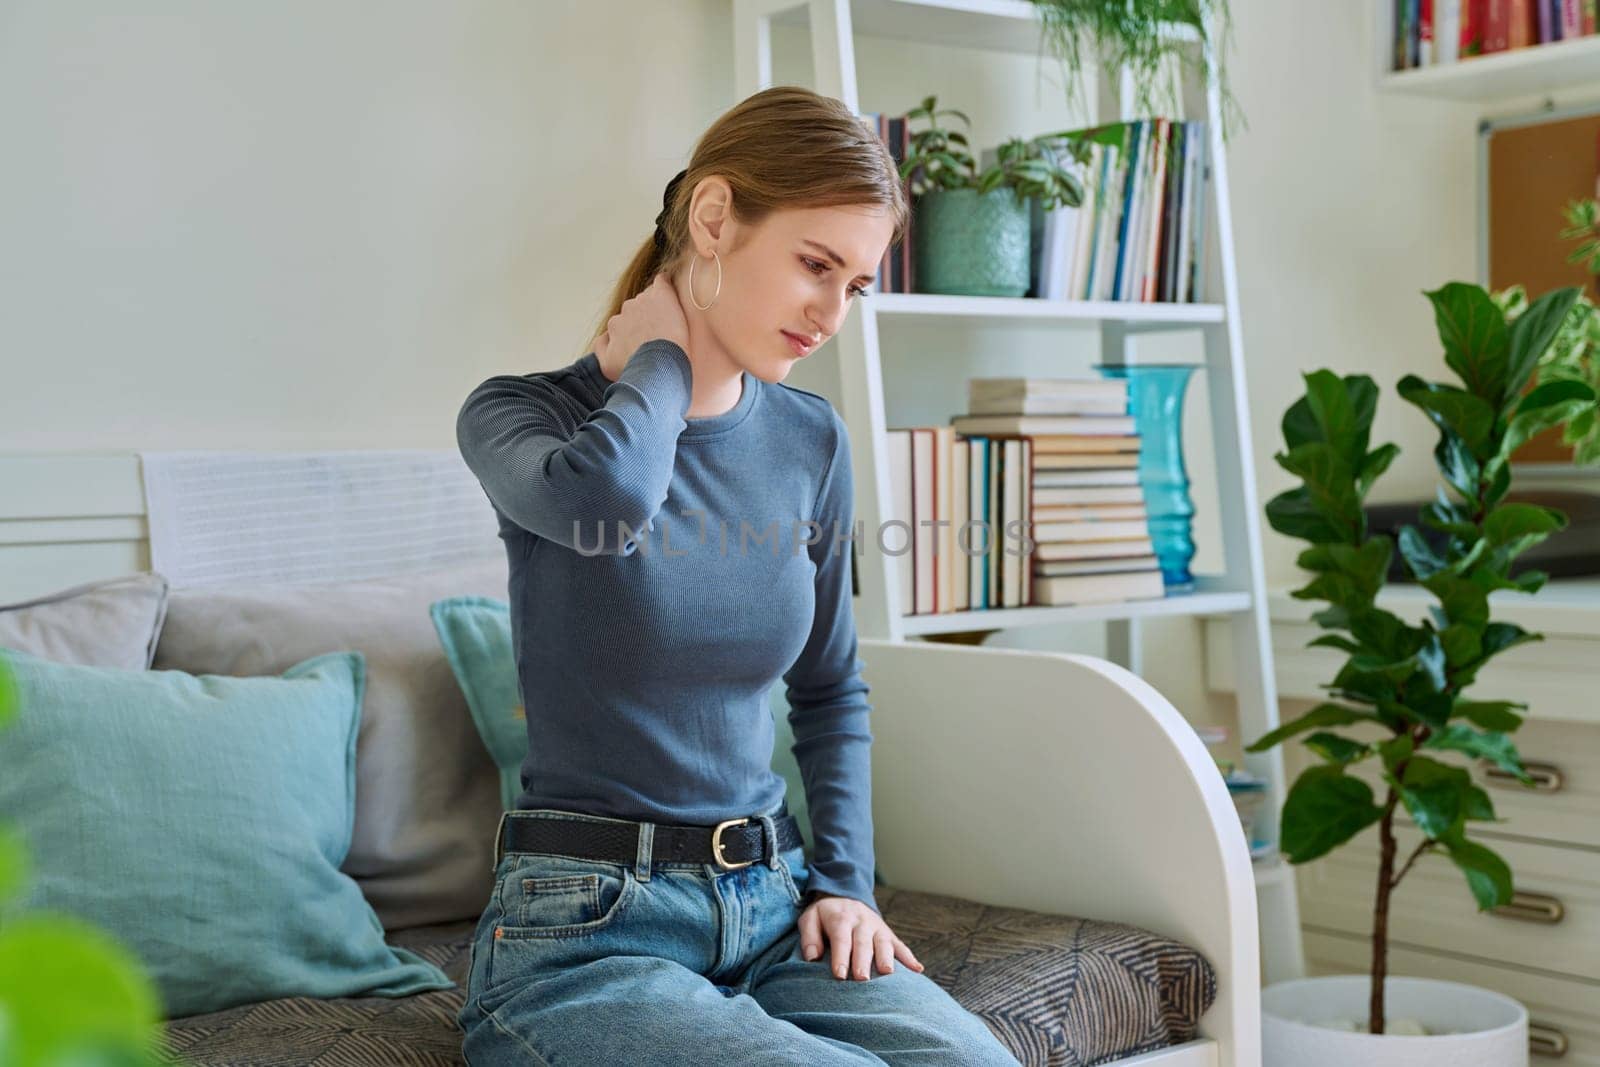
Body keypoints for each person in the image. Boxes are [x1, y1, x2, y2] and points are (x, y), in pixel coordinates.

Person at [453, 85, 1021, 1065]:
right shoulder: (521, 417)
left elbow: (830, 685)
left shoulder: (809, 439)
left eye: (855, 284)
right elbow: (606, 505)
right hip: (586, 936)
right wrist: (663, 356)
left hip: (774, 906)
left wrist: (846, 882)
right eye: (814, 265)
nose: (831, 313)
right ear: (713, 218)